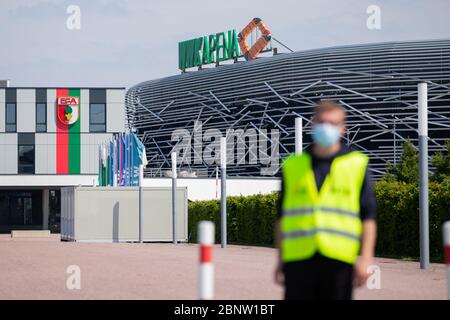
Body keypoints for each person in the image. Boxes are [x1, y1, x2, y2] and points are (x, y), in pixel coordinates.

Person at [274, 100, 377, 300]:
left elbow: (368, 216)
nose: (326, 128)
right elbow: (281, 217)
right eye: (321, 122)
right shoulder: (293, 166)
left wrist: (366, 259)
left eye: (332, 123)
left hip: (338, 258)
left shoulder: (356, 164)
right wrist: (280, 258)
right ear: (312, 125)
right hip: (298, 259)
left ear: (342, 129)